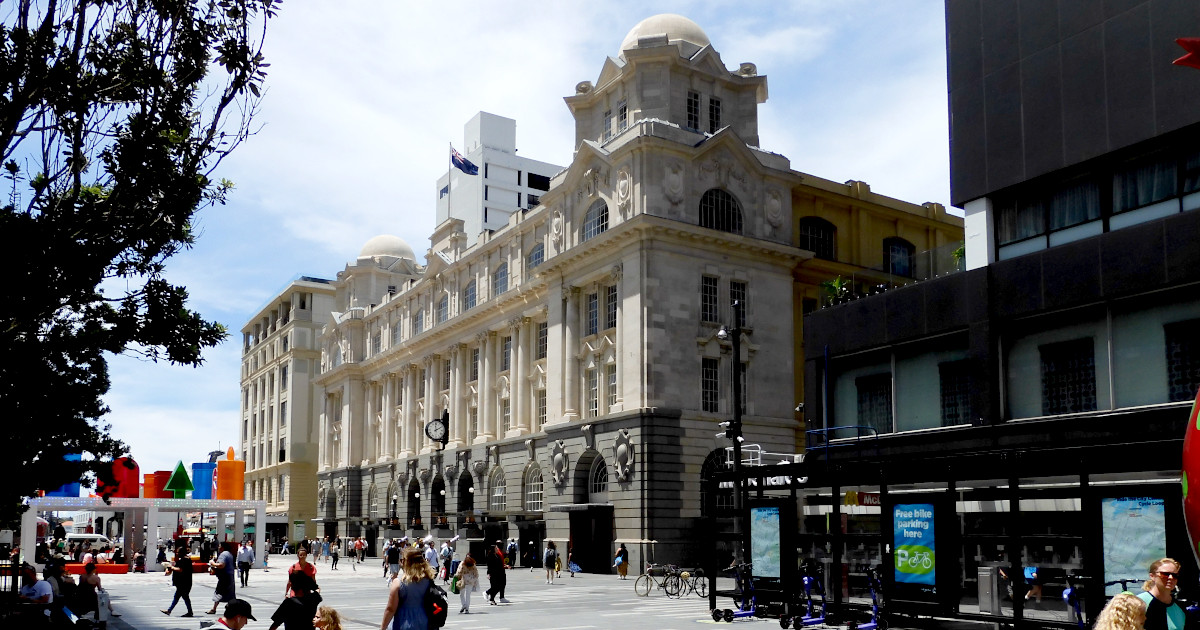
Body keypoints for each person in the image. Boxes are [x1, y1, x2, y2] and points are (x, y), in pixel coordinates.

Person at [380, 548, 435, 630]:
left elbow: (390, 609)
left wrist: (383, 628)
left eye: (402, 560)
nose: (400, 562)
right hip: (424, 622)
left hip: (403, 622)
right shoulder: (428, 580)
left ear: (406, 562)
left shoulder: (398, 583)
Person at [1138, 557, 1185, 630]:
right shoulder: (1138, 603)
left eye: (1175, 575)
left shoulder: (1180, 608)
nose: (1170, 577)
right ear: (1152, 576)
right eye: (1165, 574)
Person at [162, 545, 195, 617]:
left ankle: (189, 612)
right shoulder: (183, 560)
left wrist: (172, 568)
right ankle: (169, 610)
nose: (177, 553)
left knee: (183, 597)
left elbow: (180, 569)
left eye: (178, 552)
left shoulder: (185, 560)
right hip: (182, 582)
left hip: (184, 582)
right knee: (180, 597)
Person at [205, 541, 237, 615]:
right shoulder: (229, 554)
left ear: (222, 547)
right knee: (230, 594)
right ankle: (232, 609)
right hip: (230, 576)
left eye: (219, 546)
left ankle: (214, 609)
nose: (218, 547)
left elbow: (221, 565)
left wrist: (212, 563)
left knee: (219, 592)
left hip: (224, 577)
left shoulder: (223, 554)